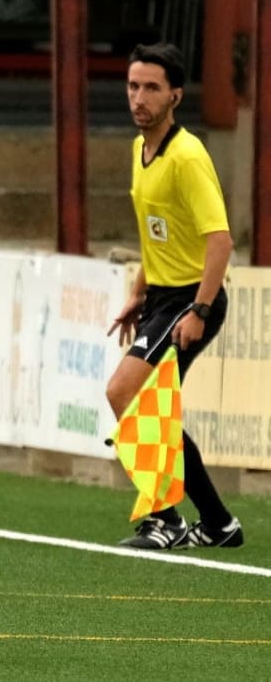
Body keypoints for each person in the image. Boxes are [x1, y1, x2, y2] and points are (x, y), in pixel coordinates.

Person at [108, 42, 243, 550]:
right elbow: (158, 233)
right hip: (163, 298)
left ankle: (165, 519)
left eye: (151, 88)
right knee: (152, 409)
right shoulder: (138, 150)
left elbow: (220, 240)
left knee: (126, 395)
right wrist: (139, 293)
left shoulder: (187, 156)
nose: (138, 97)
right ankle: (216, 521)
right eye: (133, 86)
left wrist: (201, 310)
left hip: (192, 299)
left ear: (176, 96)